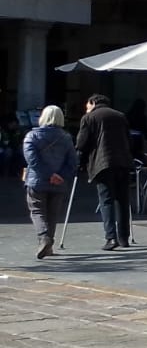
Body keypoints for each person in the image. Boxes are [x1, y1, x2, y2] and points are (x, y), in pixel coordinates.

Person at [76, 93, 134, 251]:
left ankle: (111, 237)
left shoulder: (89, 118)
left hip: (103, 164)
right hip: (123, 162)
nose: (86, 109)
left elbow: (81, 143)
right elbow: (129, 140)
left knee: (106, 200)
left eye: (87, 106)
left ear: (93, 102)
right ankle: (124, 237)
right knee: (122, 200)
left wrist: (80, 162)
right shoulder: (120, 116)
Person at [23, 105, 76, 259]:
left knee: (37, 210)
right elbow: (72, 162)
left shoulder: (32, 136)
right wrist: (59, 176)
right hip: (59, 182)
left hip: (37, 180)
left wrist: (48, 174)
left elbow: (32, 160)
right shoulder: (66, 138)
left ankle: (44, 237)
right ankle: (48, 246)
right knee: (52, 214)